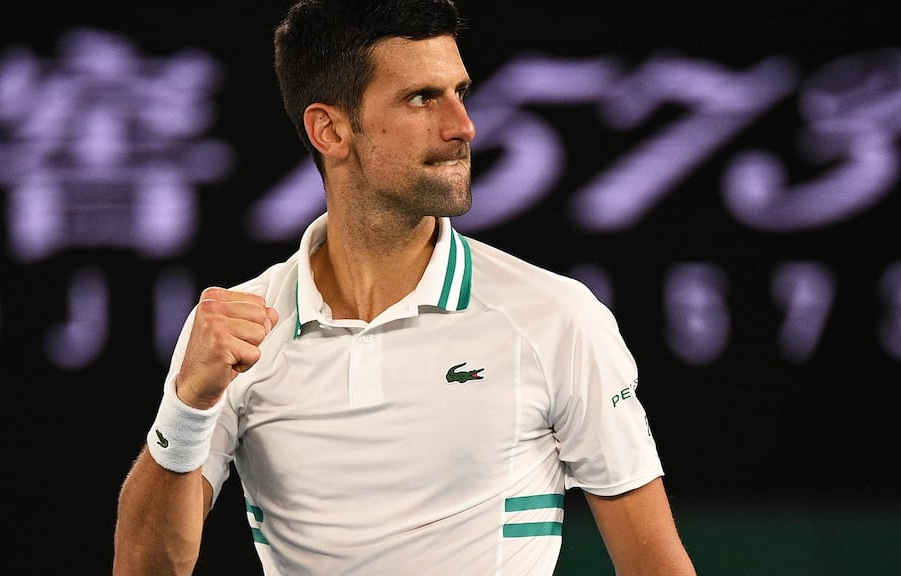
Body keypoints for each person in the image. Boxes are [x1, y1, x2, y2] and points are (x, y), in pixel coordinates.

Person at [113, 1, 697, 574]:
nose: (462, 126)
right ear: (330, 129)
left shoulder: (556, 318)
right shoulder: (236, 333)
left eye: (459, 93)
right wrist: (187, 405)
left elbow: (654, 563)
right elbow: (147, 567)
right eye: (422, 99)